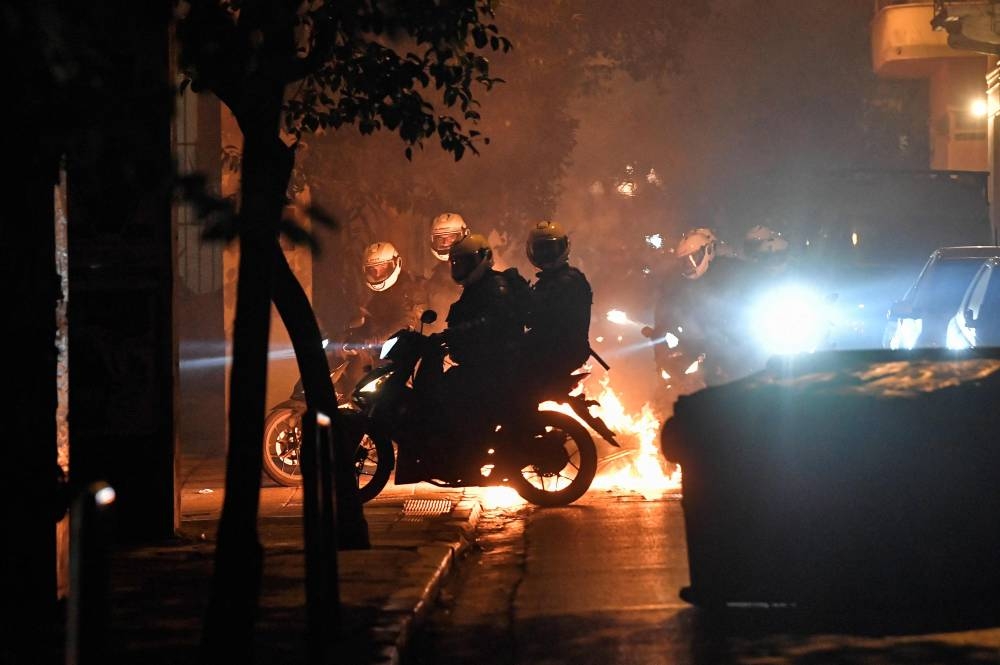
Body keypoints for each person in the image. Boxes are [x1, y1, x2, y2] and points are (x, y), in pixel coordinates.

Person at [428, 233, 529, 433]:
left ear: (483, 257)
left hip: (496, 365)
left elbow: (493, 319)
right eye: (456, 263)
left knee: (454, 396)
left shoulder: (496, 285)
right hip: (479, 362)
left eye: (465, 262)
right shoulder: (474, 287)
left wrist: (457, 332)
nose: (459, 267)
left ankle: (470, 448)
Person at [521, 220, 593, 397]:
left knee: (514, 386)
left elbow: (542, 315)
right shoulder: (551, 280)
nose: (546, 254)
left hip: (558, 350)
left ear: (563, 247)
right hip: (550, 346)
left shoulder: (568, 281)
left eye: (550, 249)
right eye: (541, 249)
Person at [424, 212, 470, 331]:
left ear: (464, 235)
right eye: (441, 238)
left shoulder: (478, 269)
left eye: (451, 238)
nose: (445, 243)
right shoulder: (434, 280)